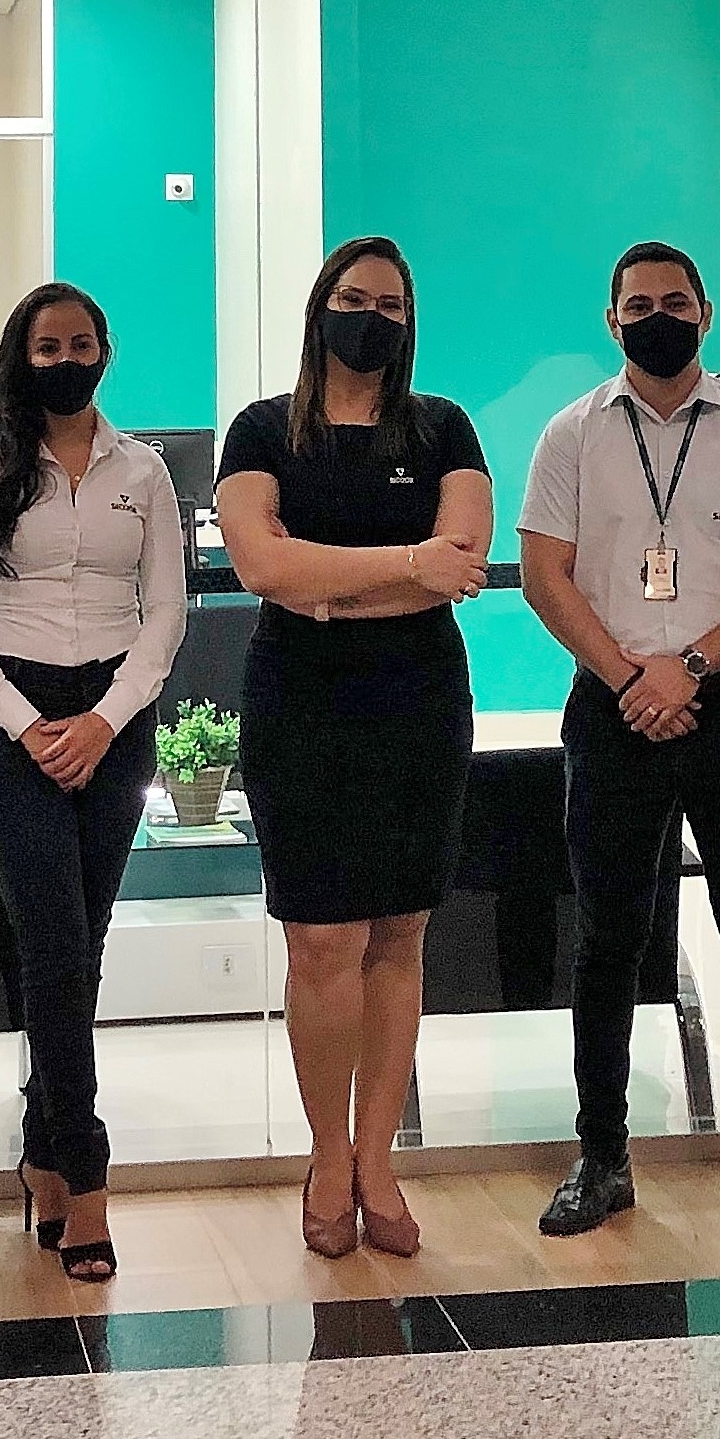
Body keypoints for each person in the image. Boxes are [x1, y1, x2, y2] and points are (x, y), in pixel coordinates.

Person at [516, 241, 720, 1246]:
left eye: (673, 301)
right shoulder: (572, 433)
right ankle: (602, 1159)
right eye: (636, 305)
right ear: (610, 320)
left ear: (705, 315)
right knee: (607, 942)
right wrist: (631, 678)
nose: (654, 317)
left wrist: (689, 668)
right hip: (612, 711)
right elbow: (543, 574)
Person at [214, 237, 492, 1260]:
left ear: (409, 323)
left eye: (389, 304)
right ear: (318, 306)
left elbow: (462, 563)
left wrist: (333, 584)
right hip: (301, 701)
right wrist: (404, 565)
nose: (369, 316)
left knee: (399, 935)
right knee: (322, 940)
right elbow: (262, 566)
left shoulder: (443, 426)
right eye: (351, 296)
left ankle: (379, 1160)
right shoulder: (260, 430)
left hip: (417, 700)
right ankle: (327, 1156)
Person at [0, 283, 188, 1285]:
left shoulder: (143, 471)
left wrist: (104, 720)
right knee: (55, 942)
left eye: (81, 344)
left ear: (104, 353)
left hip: (113, 723)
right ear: (20, 356)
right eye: (47, 346)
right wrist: (26, 723)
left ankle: (41, 1147)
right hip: (7, 730)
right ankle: (85, 1178)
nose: (65, 360)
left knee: (79, 945)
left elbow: (166, 613)